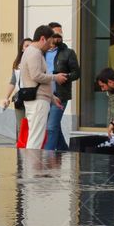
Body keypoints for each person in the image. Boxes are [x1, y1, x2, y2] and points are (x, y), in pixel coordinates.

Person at [19, 25, 67, 149]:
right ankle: (32, 167)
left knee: (35, 137)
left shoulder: (33, 52)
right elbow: (36, 76)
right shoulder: (34, 53)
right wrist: (55, 77)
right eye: (50, 42)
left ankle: (31, 166)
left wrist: (52, 97)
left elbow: (38, 79)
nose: (51, 46)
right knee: (36, 139)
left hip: (37, 99)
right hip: (38, 101)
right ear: (42, 39)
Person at [44, 22, 81, 151]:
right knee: (54, 127)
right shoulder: (41, 52)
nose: (59, 36)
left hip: (60, 95)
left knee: (51, 127)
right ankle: (64, 151)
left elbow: (77, 73)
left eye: (61, 33)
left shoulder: (68, 53)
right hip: (44, 95)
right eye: (56, 34)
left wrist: (64, 77)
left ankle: (46, 157)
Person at [3, 38, 33, 138]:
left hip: (32, 97)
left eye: (31, 45)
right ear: (22, 49)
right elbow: (13, 81)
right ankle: (21, 150)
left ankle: (30, 149)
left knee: (31, 127)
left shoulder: (35, 61)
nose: (29, 48)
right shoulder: (17, 64)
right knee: (21, 127)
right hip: (19, 98)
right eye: (26, 46)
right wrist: (6, 97)